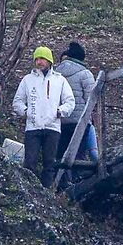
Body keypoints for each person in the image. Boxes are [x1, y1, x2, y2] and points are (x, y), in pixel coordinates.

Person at [13, 46, 76, 190]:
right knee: (30, 161)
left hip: (52, 127)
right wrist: (26, 112)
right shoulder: (27, 80)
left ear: (49, 61)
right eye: (36, 59)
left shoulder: (59, 80)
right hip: (33, 127)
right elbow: (17, 101)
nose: (39, 62)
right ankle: (29, 191)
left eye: (42, 59)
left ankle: (46, 192)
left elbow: (70, 101)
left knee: (49, 162)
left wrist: (59, 112)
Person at [56, 41, 99, 165]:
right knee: (78, 154)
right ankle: (78, 180)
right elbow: (92, 98)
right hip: (80, 121)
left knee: (61, 153)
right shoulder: (85, 74)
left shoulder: (55, 73)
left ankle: (61, 181)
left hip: (60, 120)